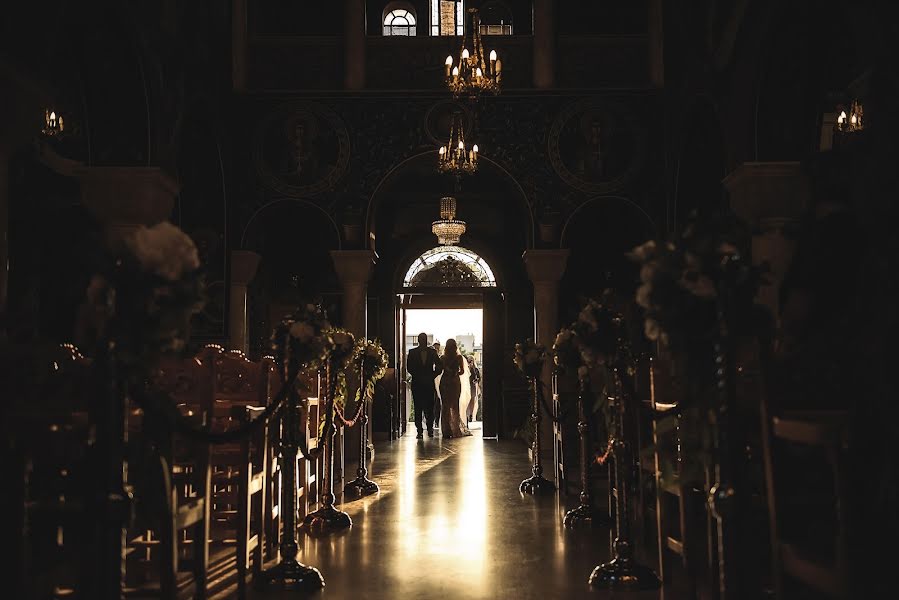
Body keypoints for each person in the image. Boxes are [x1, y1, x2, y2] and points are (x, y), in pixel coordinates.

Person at [407, 333, 442, 438]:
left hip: (428, 383)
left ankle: (430, 429)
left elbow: (439, 365)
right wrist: (418, 375)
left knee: (430, 407)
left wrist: (432, 375)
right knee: (418, 407)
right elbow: (409, 367)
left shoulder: (432, 352)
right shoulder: (412, 352)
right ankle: (419, 430)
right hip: (417, 383)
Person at [435, 339, 472, 438]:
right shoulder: (459, 358)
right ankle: (455, 429)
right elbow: (463, 372)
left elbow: (438, 371)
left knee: (445, 407)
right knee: (455, 406)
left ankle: (446, 431)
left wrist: (448, 371)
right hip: (455, 383)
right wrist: (455, 373)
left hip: (445, 383)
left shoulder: (443, 358)